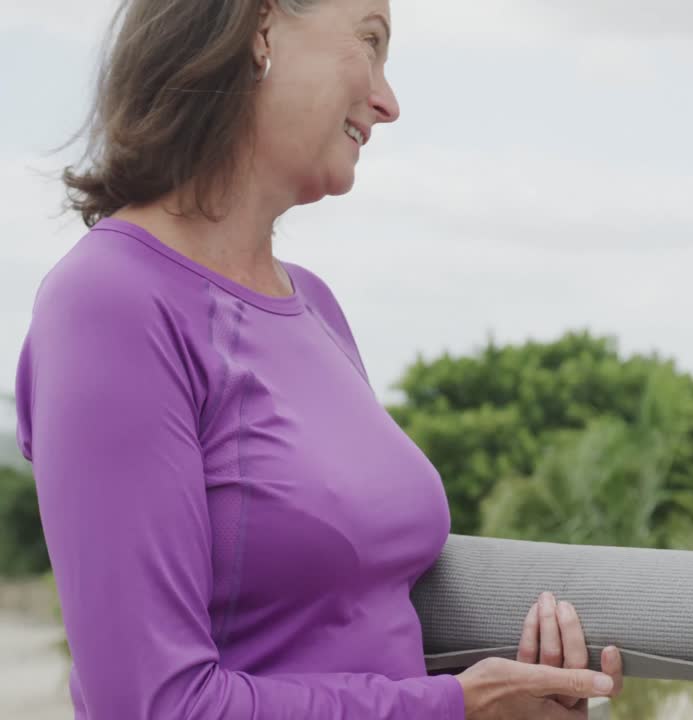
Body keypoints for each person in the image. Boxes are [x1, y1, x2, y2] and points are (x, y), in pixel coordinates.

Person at [14, 1, 621, 717]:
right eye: (370, 41)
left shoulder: (318, 308)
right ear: (260, 26)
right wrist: (457, 709)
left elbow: (355, 630)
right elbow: (155, 705)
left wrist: (527, 685)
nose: (388, 102)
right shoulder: (110, 303)